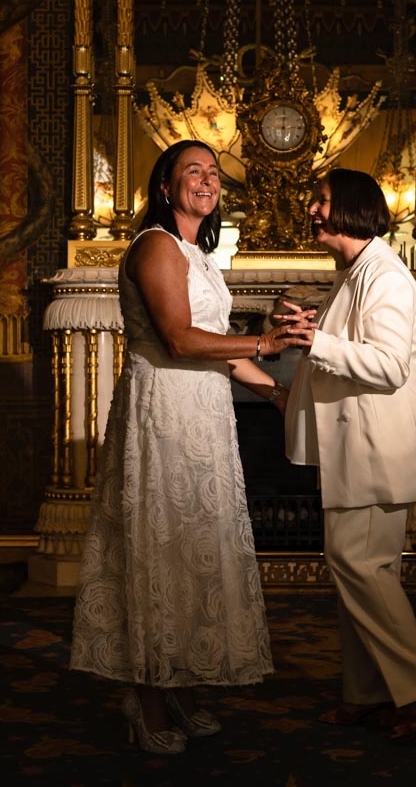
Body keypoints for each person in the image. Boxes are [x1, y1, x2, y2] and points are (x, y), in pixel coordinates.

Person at [69, 139, 303, 754]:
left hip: (205, 413)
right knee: (158, 546)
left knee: (198, 543)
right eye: (192, 171)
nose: (207, 179)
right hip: (164, 410)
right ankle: (145, 698)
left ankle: (184, 686)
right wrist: (264, 347)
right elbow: (178, 339)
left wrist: (277, 397)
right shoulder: (155, 246)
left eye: (214, 172)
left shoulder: (200, 255)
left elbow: (217, 346)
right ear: (166, 187)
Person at [278, 168, 416, 741]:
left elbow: (387, 365)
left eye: (322, 200)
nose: (311, 209)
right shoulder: (353, 273)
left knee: (358, 567)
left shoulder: (384, 275)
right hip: (360, 448)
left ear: (353, 208)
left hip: (377, 449)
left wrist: (316, 341)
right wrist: (308, 332)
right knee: (364, 572)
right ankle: (367, 692)